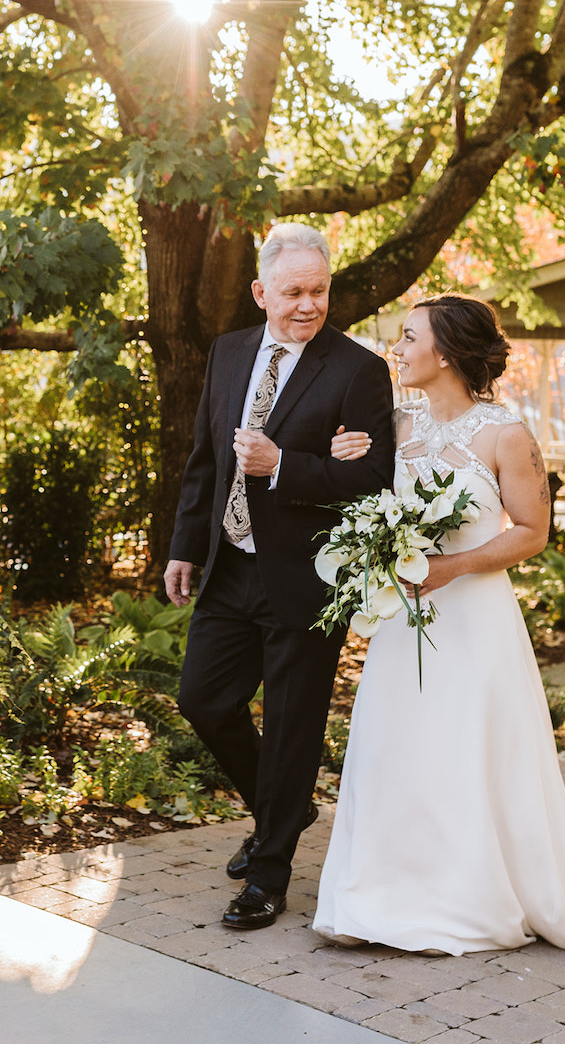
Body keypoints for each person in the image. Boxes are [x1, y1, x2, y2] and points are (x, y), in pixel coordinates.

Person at [311, 294, 565, 955]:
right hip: (401, 618)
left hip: (474, 623)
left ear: (443, 352)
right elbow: (354, 490)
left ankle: (468, 896)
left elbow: (533, 531)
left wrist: (453, 565)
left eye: (409, 337)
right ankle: (373, 895)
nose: (399, 347)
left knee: (468, 753)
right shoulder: (392, 424)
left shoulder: (507, 434)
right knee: (393, 749)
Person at [164, 222, 397, 931]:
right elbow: (206, 454)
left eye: (319, 290)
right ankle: (285, 809)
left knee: (293, 727)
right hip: (230, 566)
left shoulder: (358, 370)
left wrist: (285, 466)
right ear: (261, 291)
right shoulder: (228, 351)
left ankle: (269, 874)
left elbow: (375, 477)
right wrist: (185, 545)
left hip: (306, 577)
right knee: (202, 698)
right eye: (293, 291)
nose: (308, 305)